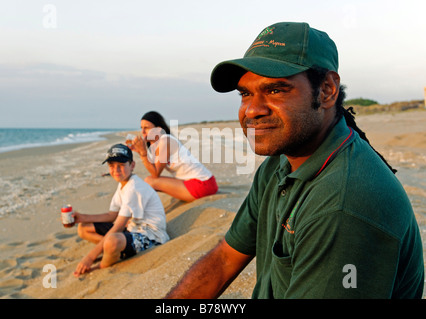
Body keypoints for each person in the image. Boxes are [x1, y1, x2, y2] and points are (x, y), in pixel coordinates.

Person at [165, 22, 424, 298]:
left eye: (276, 90)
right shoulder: (279, 165)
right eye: (245, 94)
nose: (252, 110)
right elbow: (224, 260)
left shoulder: (343, 204)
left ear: (326, 90)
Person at [73, 144, 169, 277]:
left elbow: (118, 226)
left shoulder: (134, 187)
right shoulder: (123, 184)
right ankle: (112, 252)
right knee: (83, 228)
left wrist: (89, 257)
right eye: (112, 166)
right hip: (133, 230)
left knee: (112, 241)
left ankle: (103, 266)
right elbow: (112, 215)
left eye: (121, 165)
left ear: (132, 165)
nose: (116, 170)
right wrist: (82, 218)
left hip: (151, 238)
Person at [128, 111, 218, 202]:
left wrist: (143, 154)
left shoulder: (165, 140)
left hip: (203, 184)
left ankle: (142, 211)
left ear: (158, 129)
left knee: (149, 181)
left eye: (146, 128)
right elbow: (153, 168)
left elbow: (155, 173)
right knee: (148, 183)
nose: (142, 132)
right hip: (194, 182)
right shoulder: (154, 147)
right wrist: (141, 151)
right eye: (141, 128)